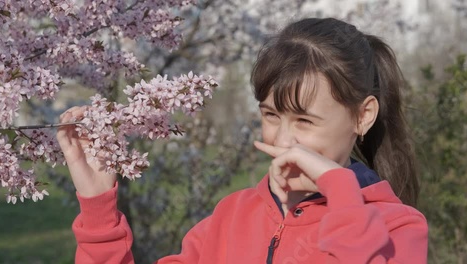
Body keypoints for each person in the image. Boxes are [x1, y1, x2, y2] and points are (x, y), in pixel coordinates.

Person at [57, 17, 428, 263]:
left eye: (304, 120)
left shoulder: (396, 228)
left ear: (362, 116)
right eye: (271, 115)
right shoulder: (230, 217)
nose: (284, 140)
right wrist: (98, 209)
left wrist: (340, 192)